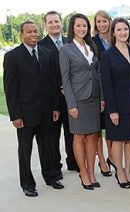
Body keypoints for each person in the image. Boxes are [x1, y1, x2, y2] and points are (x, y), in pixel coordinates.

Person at [3, 21, 64, 197]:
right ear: (22, 34)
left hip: (46, 112)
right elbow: (10, 89)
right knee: (25, 150)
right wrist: (15, 115)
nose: (33, 35)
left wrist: (55, 107)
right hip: (25, 114)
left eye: (36, 31)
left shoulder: (47, 53)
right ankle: (28, 184)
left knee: (48, 148)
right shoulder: (12, 57)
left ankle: (51, 177)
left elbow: (52, 84)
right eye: (29, 32)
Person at [101, 18, 130, 189]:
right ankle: (119, 171)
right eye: (119, 30)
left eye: (125, 29)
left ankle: (128, 170)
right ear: (113, 33)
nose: (123, 32)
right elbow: (106, 84)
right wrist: (112, 110)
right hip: (117, 106)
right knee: (118, 139)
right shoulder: (107, 55)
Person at [59, 13, 103, 190]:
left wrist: (102, 98)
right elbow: (66, 79)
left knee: (93, 135)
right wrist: (71, 104)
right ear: (72, 28)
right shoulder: (66, 49)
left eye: (84, 25)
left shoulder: (92, 46)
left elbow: (98, 74)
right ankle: (83, 173)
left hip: (94, 98)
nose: (82, 28)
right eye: (78, 25)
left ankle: (92, 172)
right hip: (78, 99)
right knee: (79, 136)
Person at [39, 11, 79, 176]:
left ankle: (73, 162)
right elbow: (44, 75)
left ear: (61, 23)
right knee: (53, 136)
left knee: (72, 133)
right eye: (51, 22)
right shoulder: (41, 45)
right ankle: (56, 167)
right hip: (53, 99)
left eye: (57, 21)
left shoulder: (70, 42)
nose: (54, 24)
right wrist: (59, 88)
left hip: (71, 97)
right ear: (45, 25)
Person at [92, 10, 112, 177]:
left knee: (112, 127)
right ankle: (102, 161)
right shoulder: (91, 42)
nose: (102, 24)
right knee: (98, 128)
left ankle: (112, 157)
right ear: (95, 24)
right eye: (99, 21)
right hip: (99, 90)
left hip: (115, 89)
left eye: (105, 21)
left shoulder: (117, 38)